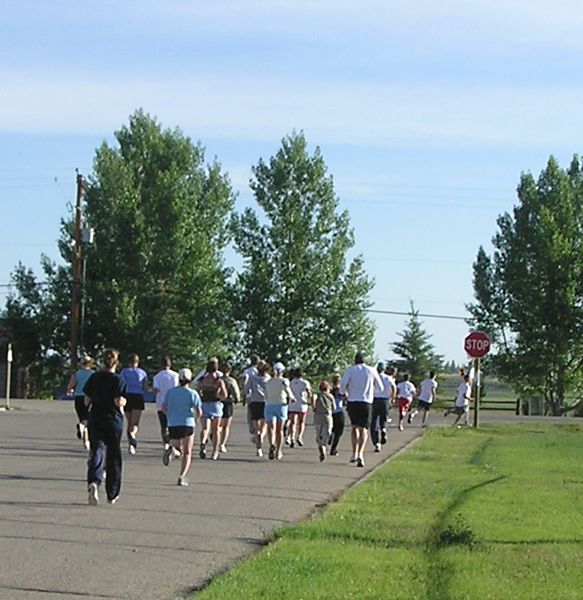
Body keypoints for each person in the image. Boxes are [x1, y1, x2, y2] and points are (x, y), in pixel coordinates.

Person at [83, 348, 127, 506]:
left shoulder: (94, 377)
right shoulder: (118, 380)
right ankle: (112, 492)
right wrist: (124, 402)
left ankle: (94, 481)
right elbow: (118, 401)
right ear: (116, 362)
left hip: (96, 418)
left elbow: (86, 401)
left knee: (97, 449)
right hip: (113, 420)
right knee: (114, 455)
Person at [340, 352, 382, 468]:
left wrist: (344, 393)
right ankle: (361, 453)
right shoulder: (371, 370)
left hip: (353, 401)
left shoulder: (351, 370)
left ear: (355, 360)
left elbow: (343, 383)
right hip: (366, 402)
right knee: (364, 429)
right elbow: (380, 387)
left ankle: (354, 452)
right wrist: (373, 392)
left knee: (354, 427)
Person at [162, 368, 203, 486]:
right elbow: (199, 411)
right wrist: (196, 420)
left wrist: (170, 415)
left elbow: (164, 407)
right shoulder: (192, 393)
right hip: (187, 423)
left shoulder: (170, 392)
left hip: (173, 423)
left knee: (178, 449)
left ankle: (173, 451)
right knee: (187, 452)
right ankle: (182, 476)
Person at [197, 358, 228, 461]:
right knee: (215, 430)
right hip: (215, 405)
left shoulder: (203, 380)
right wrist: (219, 396)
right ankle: (215, 451)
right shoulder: (218, 381)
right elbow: (225, 394)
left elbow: (197, 390)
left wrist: (201, 397)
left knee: (205, 428)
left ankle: (203, 443)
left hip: (204, 404)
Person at [263, 362, 294, 460]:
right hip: (281, 405)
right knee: (279, 430)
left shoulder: (268, 382)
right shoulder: (284, 381)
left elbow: (265, 395)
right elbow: (288, 390)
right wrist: (292, 398)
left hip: (269, 405)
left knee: (270, 427)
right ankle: (278, 450)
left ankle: (272, 443)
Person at [119, 354, 147, 455]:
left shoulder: (124, 372)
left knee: (129, 422)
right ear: (137, 362)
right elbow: (144, 387)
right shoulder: (142, 373)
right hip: (138, 396)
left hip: (127, 396)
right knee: (135, 423)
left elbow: (121, 384)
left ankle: (131, 445)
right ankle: (133, 435)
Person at [67, 355, 95, 450]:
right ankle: (86, 439)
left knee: (82, 418)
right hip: (89, 397)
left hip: (78, 397)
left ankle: (86, 442)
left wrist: (71, 390)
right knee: (88, 419)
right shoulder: (93, 374)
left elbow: (70, 386)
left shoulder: (77, 374)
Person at [244, 360, 270, 457]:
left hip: (254, 402)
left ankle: (258, 447)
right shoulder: (268, 379)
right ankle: (261, 436)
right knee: (264, 424)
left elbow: (247, 389)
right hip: (265, 402)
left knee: (256, 425)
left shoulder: (252, 378)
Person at [152, 356, 179, 449]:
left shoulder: (157, 376)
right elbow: (177, 388)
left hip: (161, 403)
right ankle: (173, 441)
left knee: (163, 425)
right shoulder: (175, 375)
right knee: (172, 423)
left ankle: (166, 442)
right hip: (173, 402)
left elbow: (155, 390)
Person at [370, 362, 393, 452]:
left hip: (375, 400)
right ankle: (383, 429)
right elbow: (393, 387)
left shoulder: (374, 377)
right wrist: (392, 398)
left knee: (374, 421)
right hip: (385, 400)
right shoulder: (388, 378)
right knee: (384, 418)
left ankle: (376, 443)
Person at [219, 362, 241, 453]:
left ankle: (215, 434)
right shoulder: (231, 381)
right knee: (226, 426)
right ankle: (222, 444)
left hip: (218, 402)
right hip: (228, 403)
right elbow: (236, 392)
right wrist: (237, 399)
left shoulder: (218, 380)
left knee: (218, 424)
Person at [288, 368, 313, 447]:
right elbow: (309, 393)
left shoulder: (291, 382)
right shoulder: (305, 383)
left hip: (293, 404)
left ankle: (292, 437)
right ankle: (299, 436)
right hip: (302, 404)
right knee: (301, 422)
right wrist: (309, 399)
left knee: (293, 422)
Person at [313, 380, 334, 462]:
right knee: (327, 432)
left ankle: (320, 446)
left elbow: (313, 399)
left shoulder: (317, 396)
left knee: (319, 433)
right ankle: (323, 446)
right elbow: (334, 407)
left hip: (318, 415)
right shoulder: (330, 396)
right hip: (327, 415)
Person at [242, 355, 259, 442]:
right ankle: (258, 432)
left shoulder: (247, 371)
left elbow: (245, 382)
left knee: (251, 416)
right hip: (261, 396)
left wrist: (244, 394)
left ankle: (254, 431)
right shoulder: (260, 371)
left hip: (251, 395)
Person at [329, 373, 345, 456]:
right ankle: (333, 449)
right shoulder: (341, 390)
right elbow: (346, 397)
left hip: (331, 412)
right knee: (339, 432)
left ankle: (330, 435)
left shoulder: (330, 390)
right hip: (338, 411)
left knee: (333, 428)